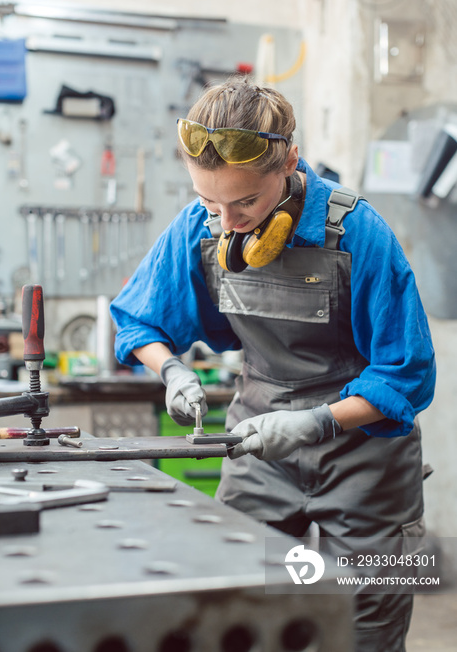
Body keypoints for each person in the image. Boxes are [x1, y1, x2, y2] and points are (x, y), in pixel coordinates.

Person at [110, 76, 436, 651]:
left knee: (368, 626)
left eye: (246, 203)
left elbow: (406, 374)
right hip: (257, 446)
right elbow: (139, 319)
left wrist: (319, 422)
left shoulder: (358, 232)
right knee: (237, 609)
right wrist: (171, 370)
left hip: (368, 458)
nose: (228, 223)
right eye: (210, 201)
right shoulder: (200, 229)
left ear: (290, 164)